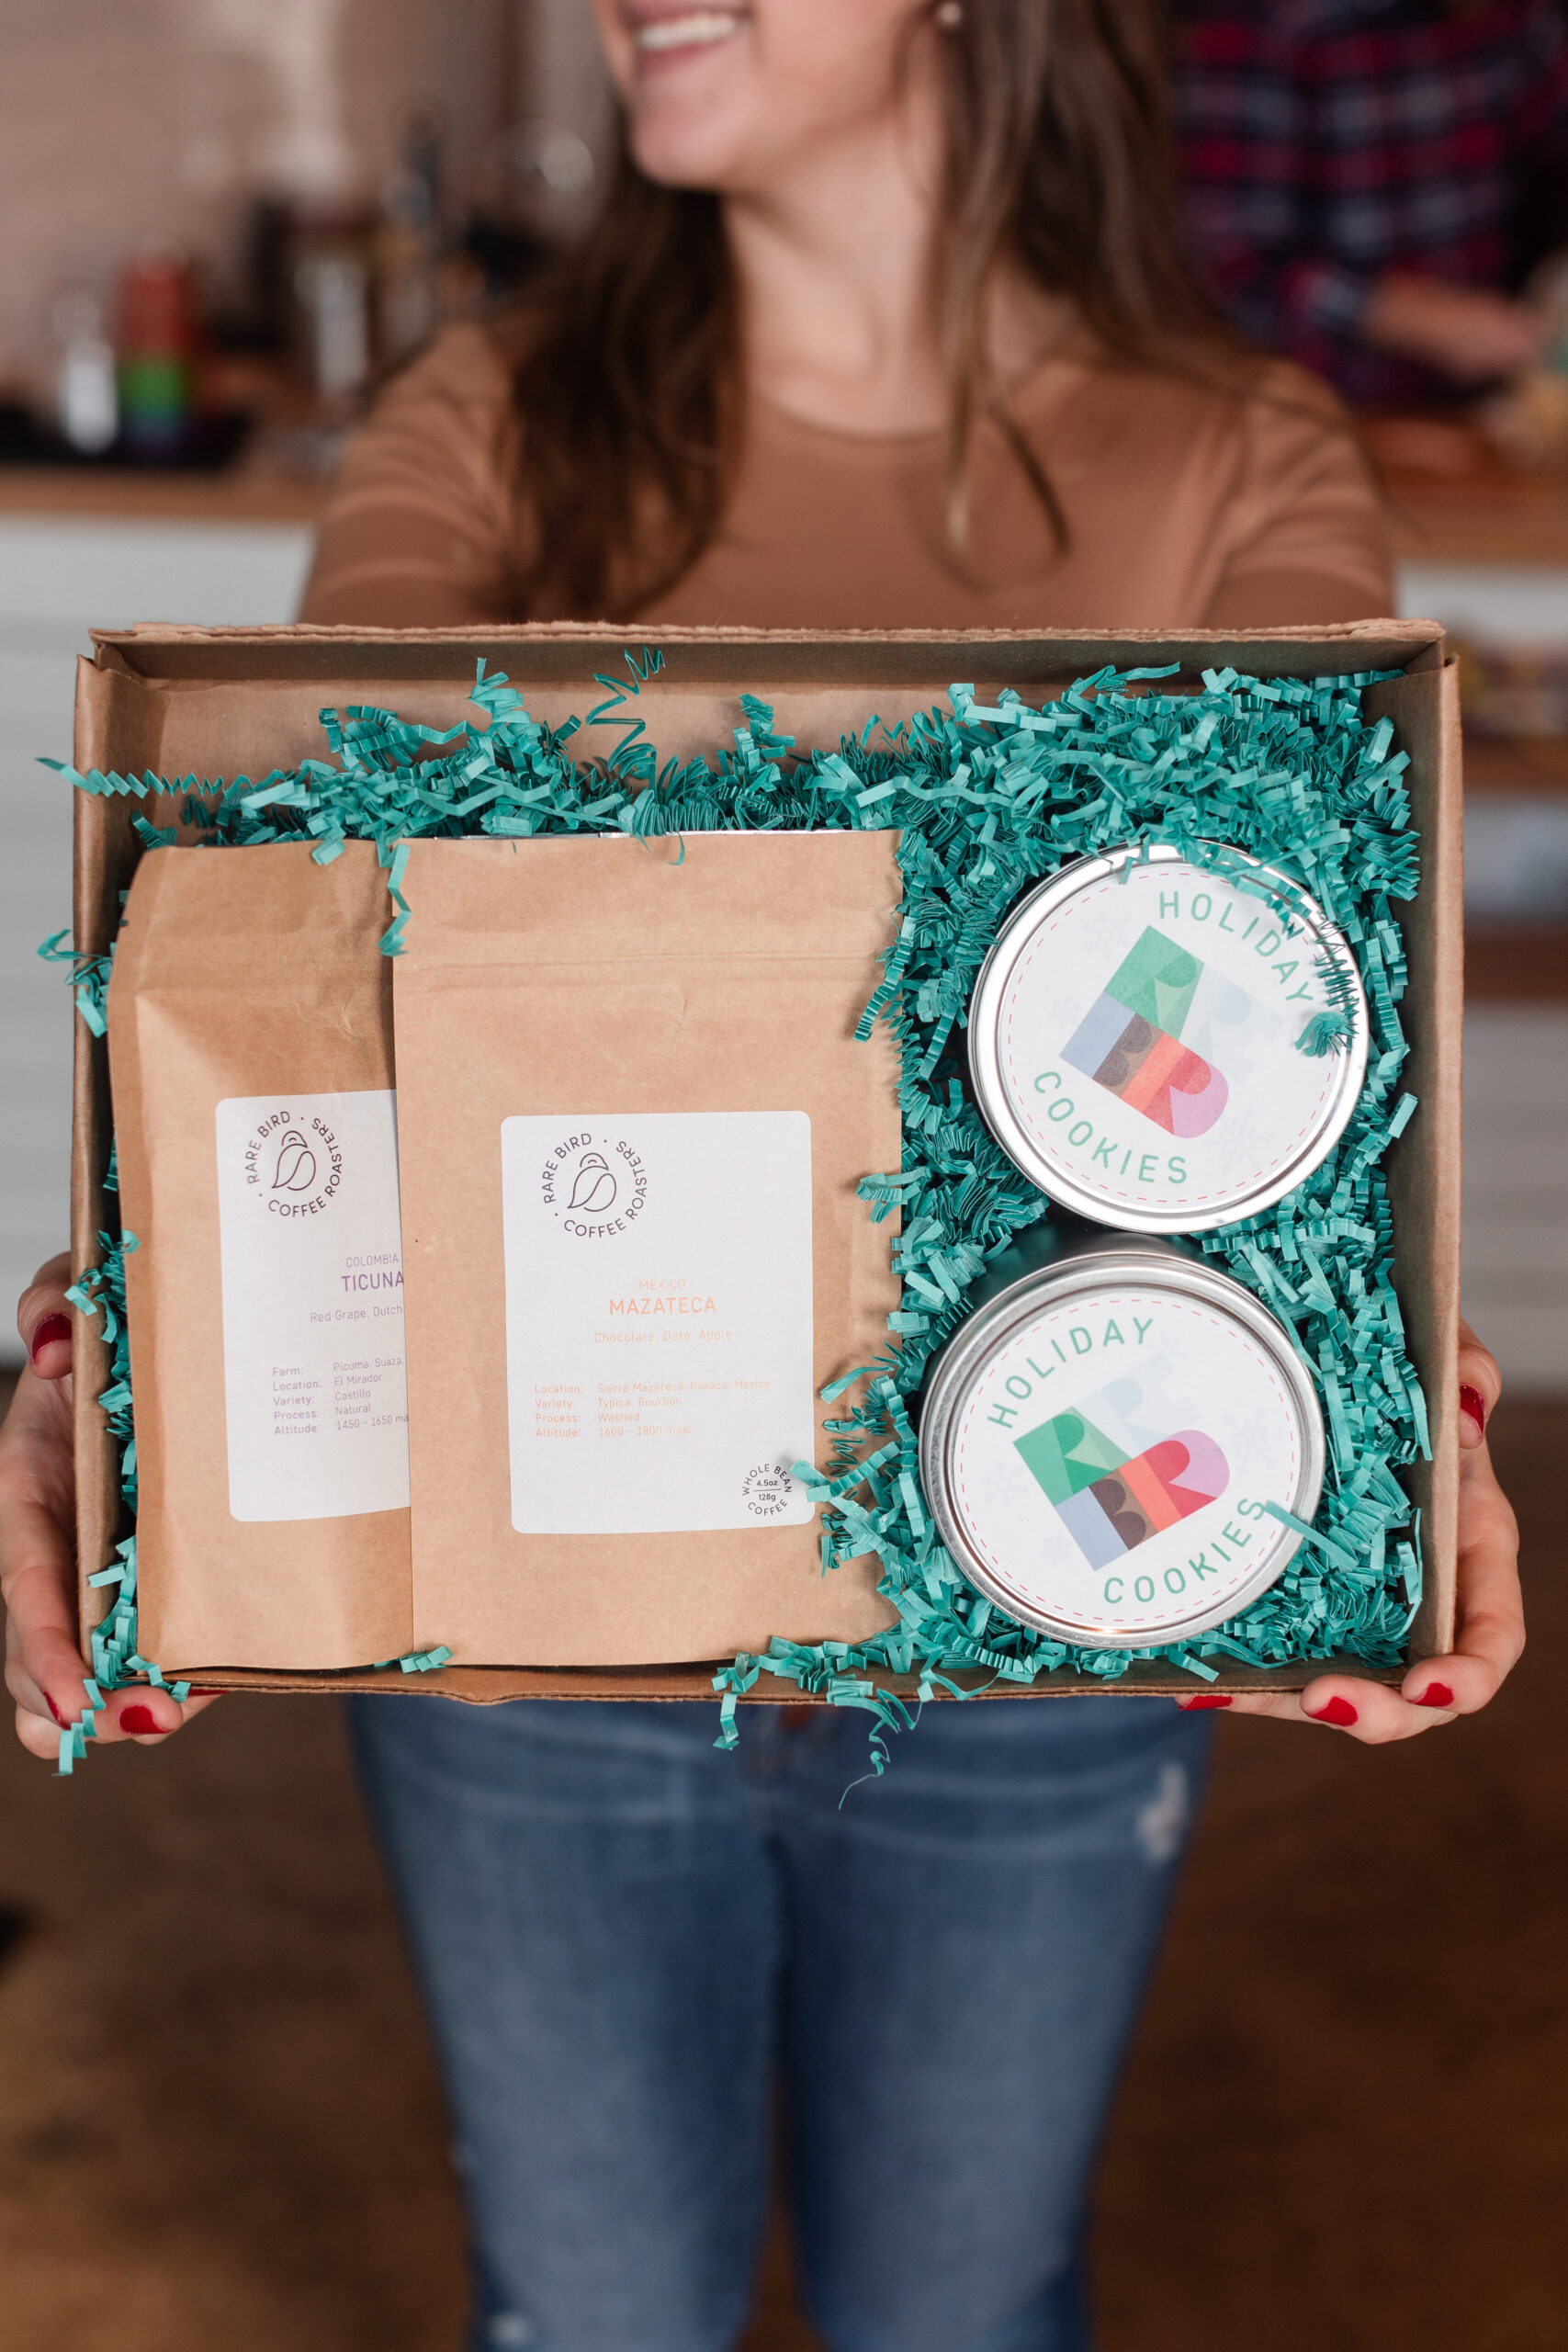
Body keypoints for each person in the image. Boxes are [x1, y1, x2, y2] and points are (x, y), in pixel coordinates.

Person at [1, 6, 1524, 2349]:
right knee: (592, 2303)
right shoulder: (487, 424)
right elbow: (288, 963)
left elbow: (1295, 1067)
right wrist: (109, 1352)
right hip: (526, 1632)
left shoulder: (1230, 458)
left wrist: (1393, 1431)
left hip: (1053, 1574)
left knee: (963, 2299)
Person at [1175, 0, 1568, 409]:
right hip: (1309, 411)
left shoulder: (1513, 19)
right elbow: (1230, 264)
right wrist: (1409, 316)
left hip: (1487, 406)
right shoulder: (1263, 30)